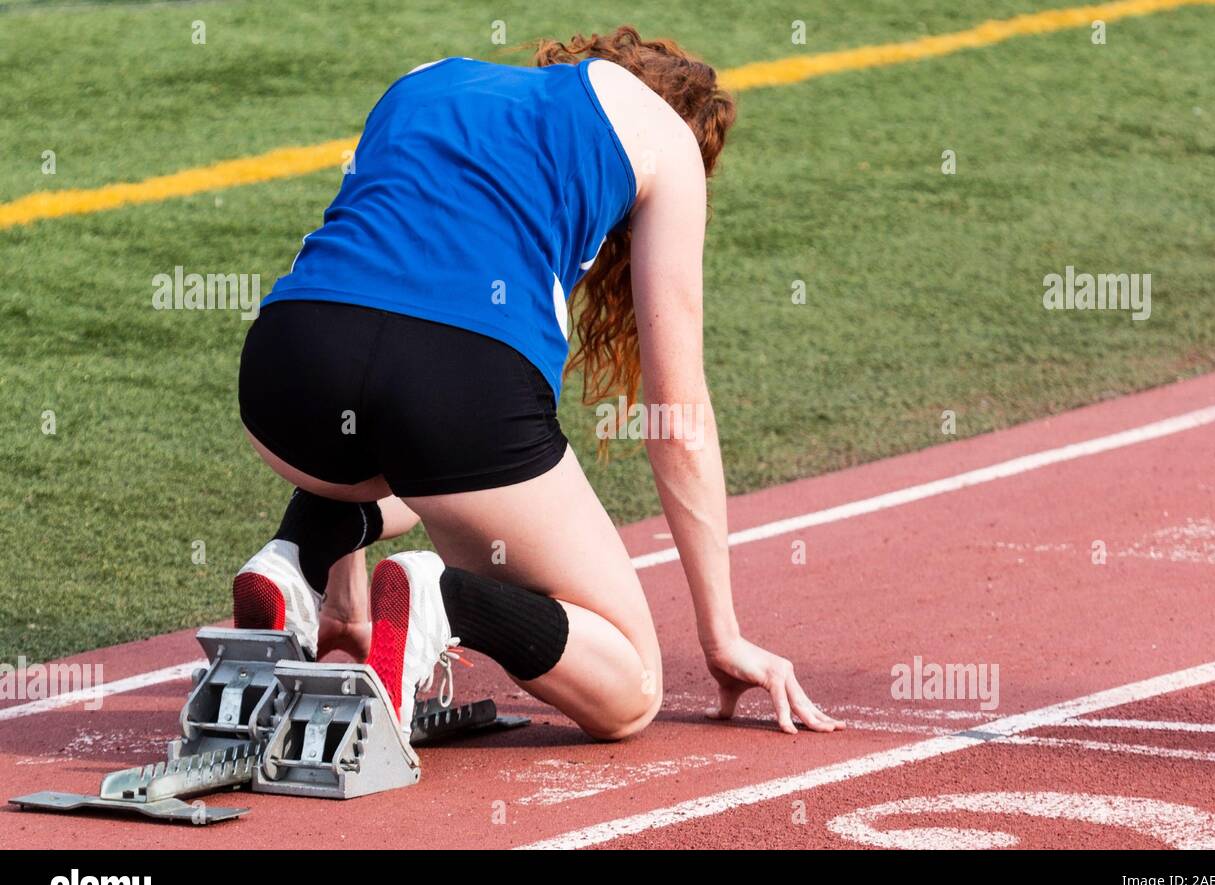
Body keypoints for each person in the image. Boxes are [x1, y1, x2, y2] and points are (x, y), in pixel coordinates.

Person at [235, 26, 845, 742]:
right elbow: (677, 422)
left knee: (388, 434)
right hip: (455, 389)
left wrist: (346, 598)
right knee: (632, 691)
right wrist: (723, 635)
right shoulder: (665, 136)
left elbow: (378, 285)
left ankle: (293, 567)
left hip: (285, 373)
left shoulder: (433, 72)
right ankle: (443, 598)